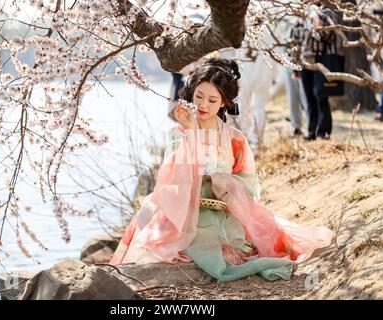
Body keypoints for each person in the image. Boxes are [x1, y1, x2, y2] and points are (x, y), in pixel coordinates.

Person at [109, 58, 333, 282]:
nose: (203, 105)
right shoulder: (179, 132)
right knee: (148, 214)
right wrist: (191, 132)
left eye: (212, 100)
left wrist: (226, 182)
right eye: (198, 96)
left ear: (224, 103)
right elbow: (170, 179)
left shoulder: (235, 138)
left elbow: (249, 185)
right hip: (184, 210)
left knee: (269, 239)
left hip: (223, 211)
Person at [294, 1, 340, 140]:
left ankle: (323, 132)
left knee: (321, 97)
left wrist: (318, 21)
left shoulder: (327, 13)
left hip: (321, 61)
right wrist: (295, 67)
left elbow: (328, 36)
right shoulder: (303, 13)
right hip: (305, 63)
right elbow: (296, 40)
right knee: (309, 99)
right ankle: (312, 131)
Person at [285, 20, 309, 137]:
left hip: (301, 66)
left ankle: (310, 126)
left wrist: (296, 68)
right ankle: (296, 127)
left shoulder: (303, 24)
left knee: (305, 98)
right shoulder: (287, 25)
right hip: (288, 67)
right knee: (292, 98)